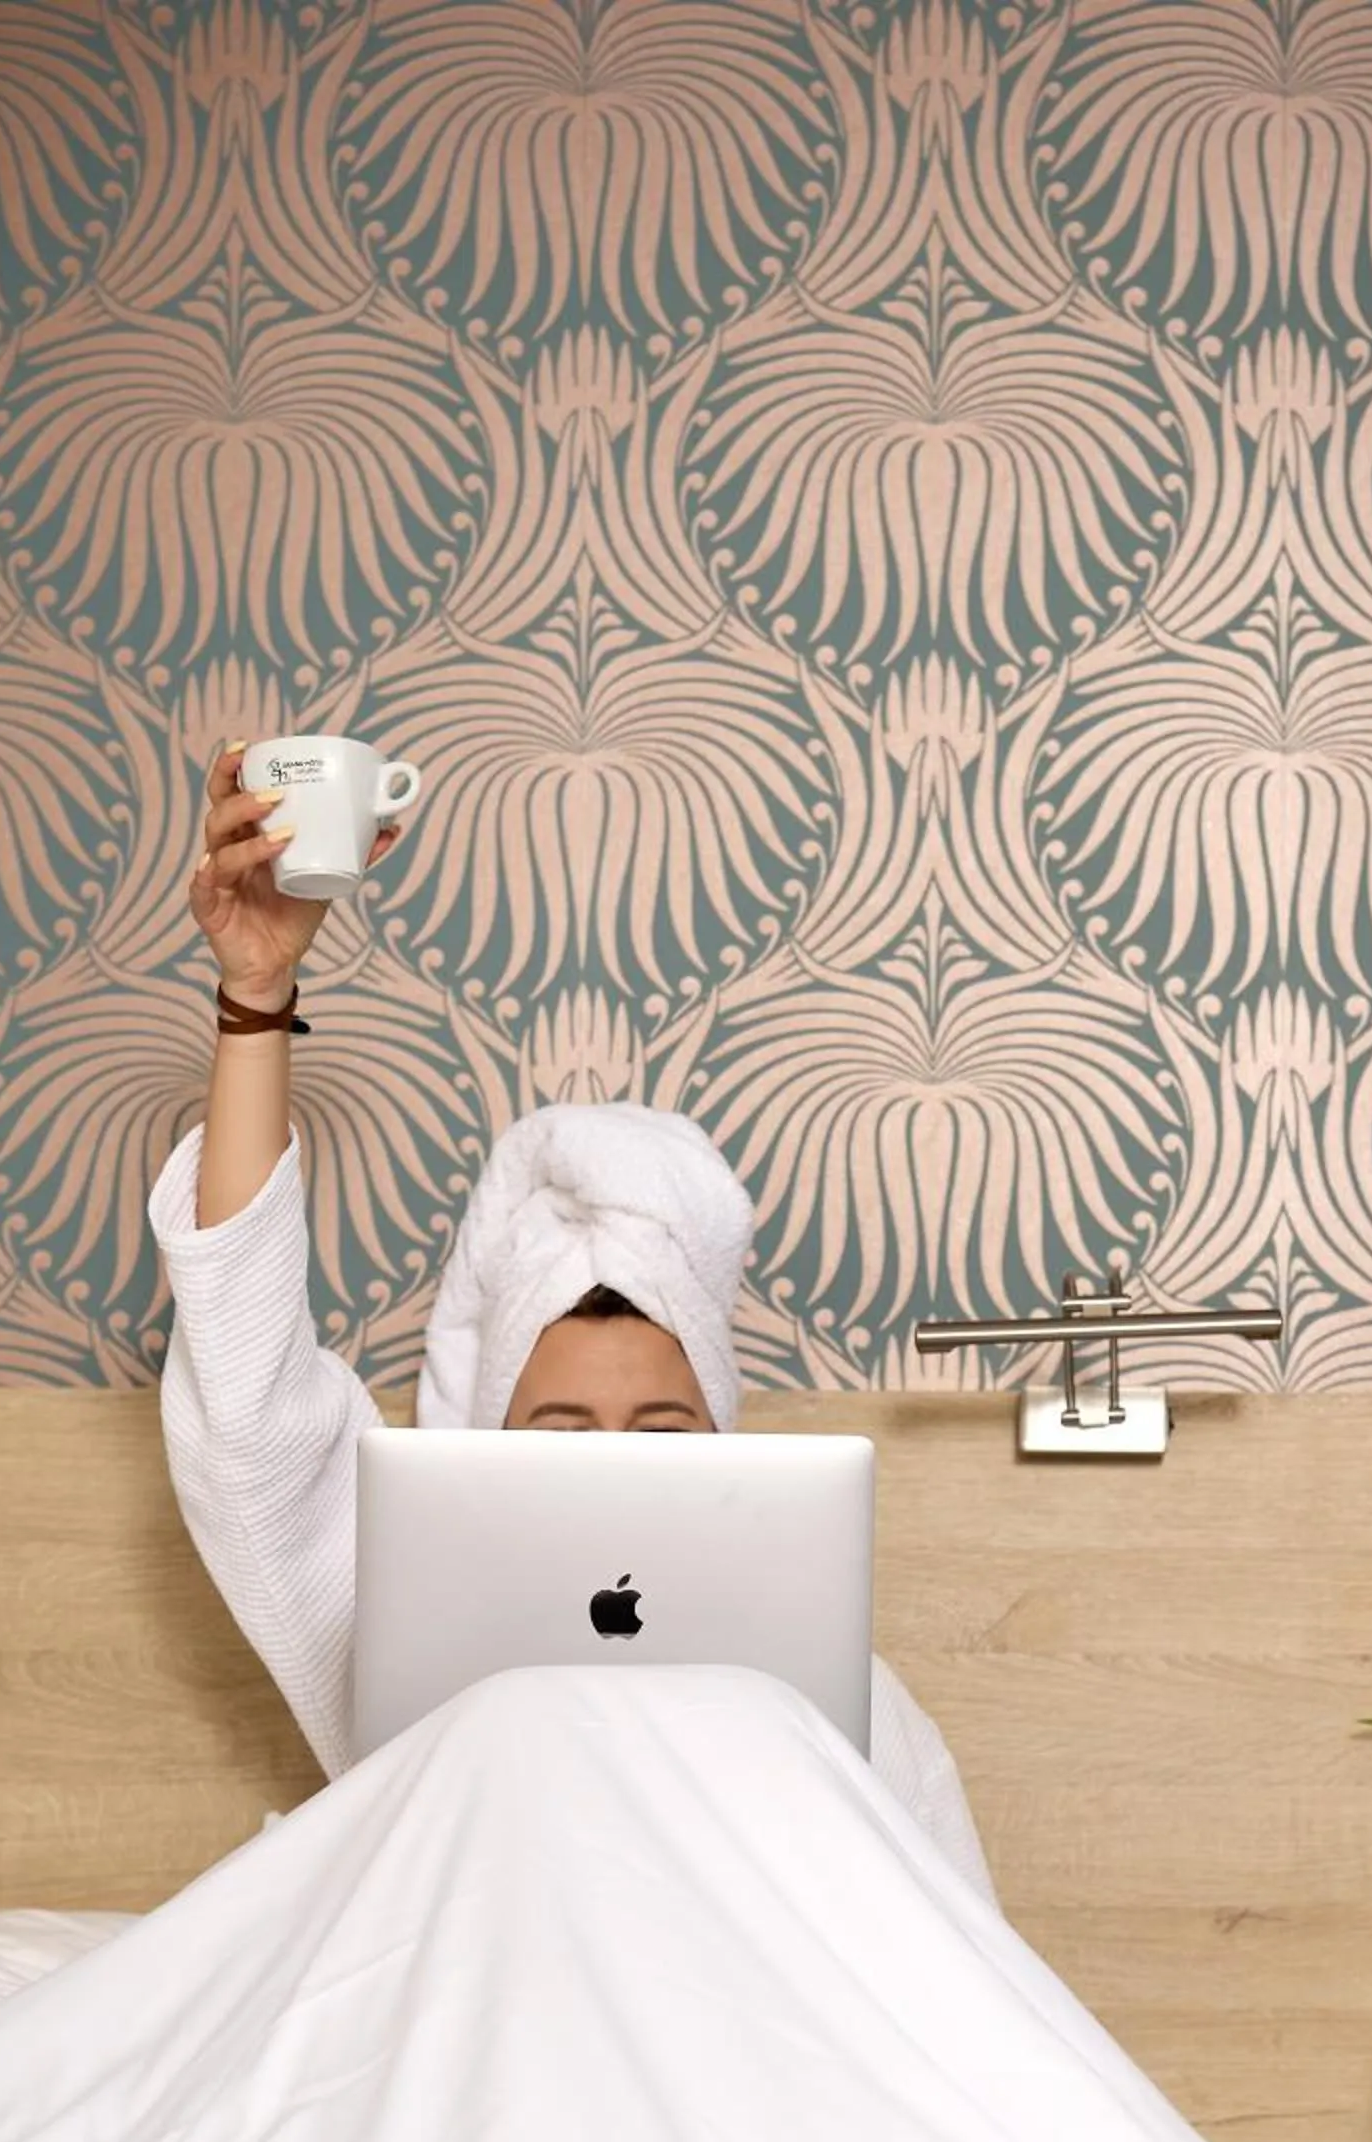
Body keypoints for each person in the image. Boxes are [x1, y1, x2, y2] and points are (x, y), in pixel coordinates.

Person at [148, 743, 993, 1895]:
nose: (611, 1475)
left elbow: (961, 1987)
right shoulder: (400, 1636)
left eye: (658, 1435)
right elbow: (247, 1407)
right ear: (485, 1445)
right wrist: (255, 1001)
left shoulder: (851, 1708)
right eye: (556, 1433)